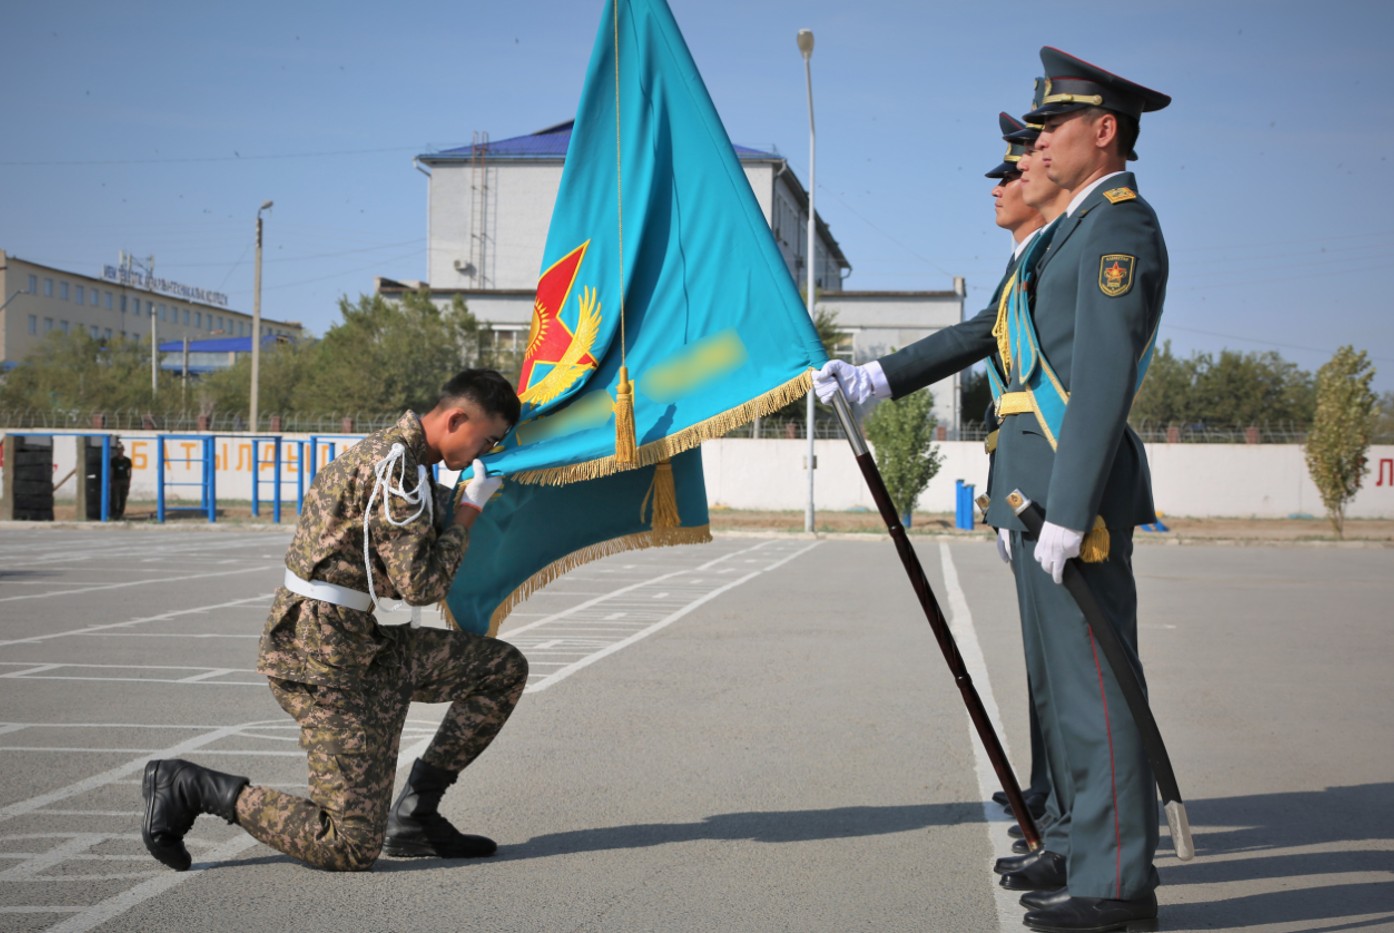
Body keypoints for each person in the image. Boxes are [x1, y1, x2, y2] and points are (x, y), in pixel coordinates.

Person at [816, 47, 1170, 933]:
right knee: (1063, 688)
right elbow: (987, 331)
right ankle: (1090, 854)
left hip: (1066, 489)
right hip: (1038, 484)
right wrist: (878, 379)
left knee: (1096, 688)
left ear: (1105, 130)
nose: (1038, 143)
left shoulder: (1120, 228)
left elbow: (1098, 382)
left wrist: (1076, 504)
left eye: (1051, 125)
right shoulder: (1066, 233)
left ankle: (1119, 886)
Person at [141, 369, 529, 873]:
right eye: (488, 437)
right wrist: (469, 512)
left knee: (499, 669)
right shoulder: (397, 472)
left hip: (376, 644)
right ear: (456, 418)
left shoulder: (402, 461)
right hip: (328, 659)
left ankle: (416, 813)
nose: (486, 451)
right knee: (348, 846)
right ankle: (191, 787)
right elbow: (421, 585)